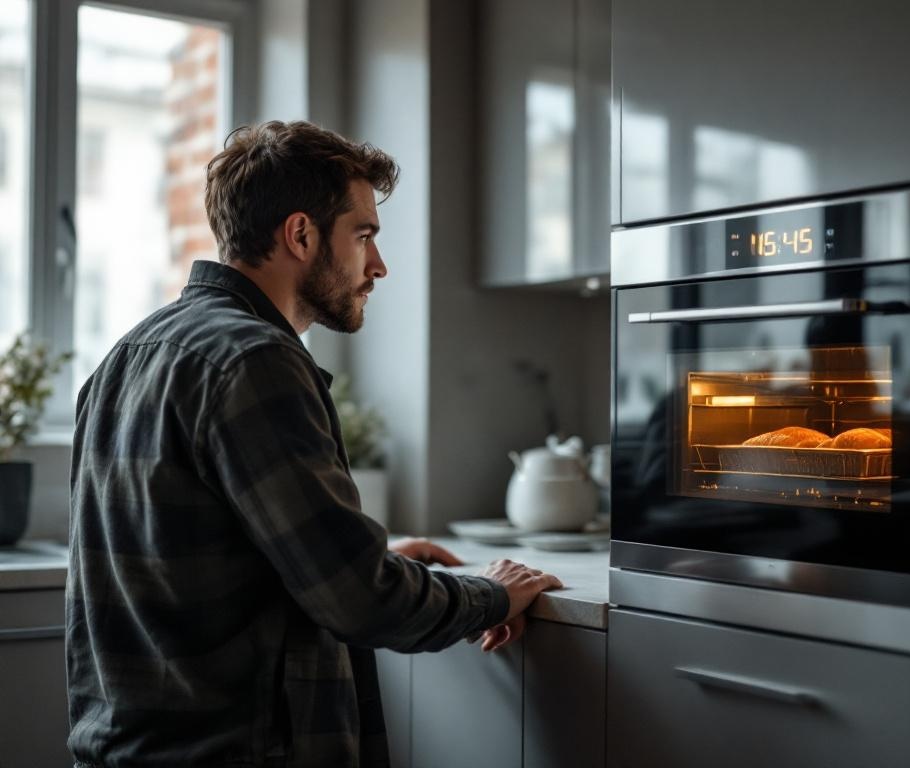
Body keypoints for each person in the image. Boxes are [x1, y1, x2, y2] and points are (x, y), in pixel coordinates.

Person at [66, 120, 562, 767]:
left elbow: (189, 556)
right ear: (300, 234)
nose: (378, 266)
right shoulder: (255, 361)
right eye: (364, 236)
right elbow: (360, 601)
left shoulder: (127, 355)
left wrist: (366, 552)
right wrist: (490, 592)